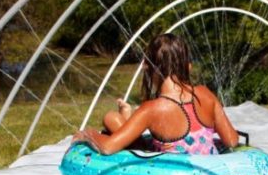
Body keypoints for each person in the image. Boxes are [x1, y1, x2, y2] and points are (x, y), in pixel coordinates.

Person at [71, 33, 239, 155]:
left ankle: (126, 119)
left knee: (111, 121)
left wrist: (87, 134)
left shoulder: (151, 109)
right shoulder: (205, 94)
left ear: (148, 66)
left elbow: (107, 147)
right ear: (187, 65)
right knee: (112, 119)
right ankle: (126, 118)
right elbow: (232, 140)